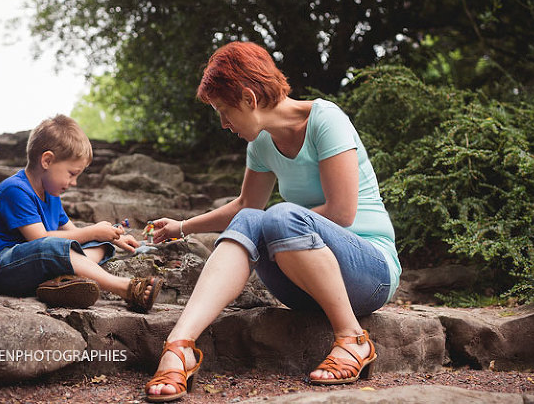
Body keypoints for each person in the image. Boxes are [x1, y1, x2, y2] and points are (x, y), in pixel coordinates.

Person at [144, 42, 401, 401]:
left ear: (249, 98)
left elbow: (343, 212)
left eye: (224, 110)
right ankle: (179, 345)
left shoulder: (326, 120)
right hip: (303, 281)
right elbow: (245, 206)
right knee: (257, 216)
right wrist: (182, 227)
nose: (223, 123)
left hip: (369, 273)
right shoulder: (261, 145)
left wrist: (279, 222)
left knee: (279, 215)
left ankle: (353, 340)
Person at [0, 114, 163, 313]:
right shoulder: (14, 189)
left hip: (37, 265)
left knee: (100, 244)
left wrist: (113, 238)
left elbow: (74, 236)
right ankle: (126, 288)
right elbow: (38, 239)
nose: (74, 183)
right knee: (50, 246)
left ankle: (62, 281)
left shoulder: (51, 195)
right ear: (47, 160)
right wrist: (93, 231)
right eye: (72, 174)